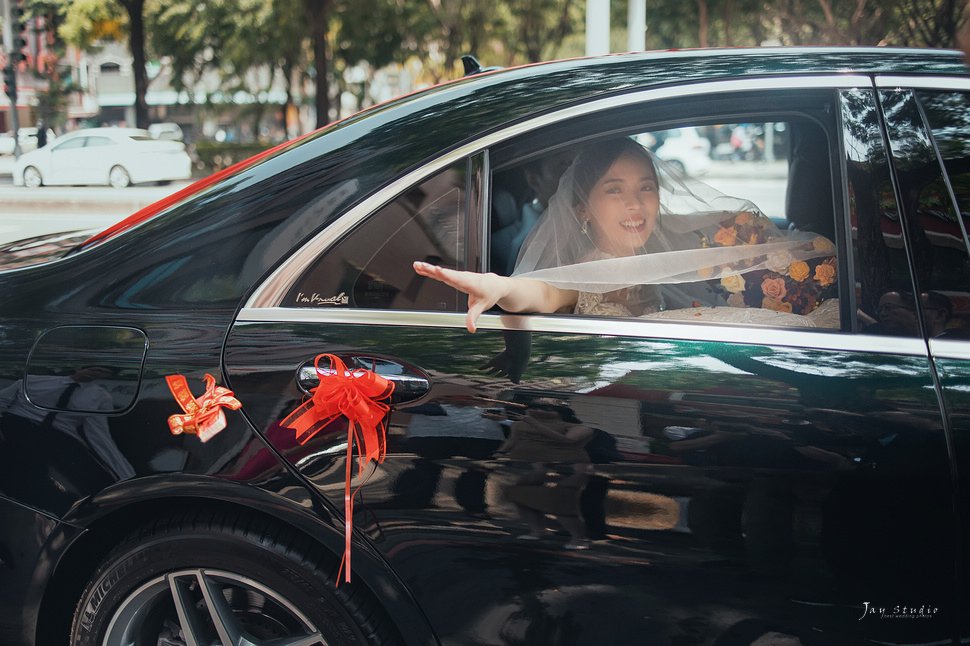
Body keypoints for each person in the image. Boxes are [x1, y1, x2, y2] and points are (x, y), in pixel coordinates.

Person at [414, 137, 833, 333]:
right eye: (614, 190)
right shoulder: (591, 269)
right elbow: (544, 293)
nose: (635, 204)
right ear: (583, 210)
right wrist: (499, 286)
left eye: (645, 188)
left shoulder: (670, 253)